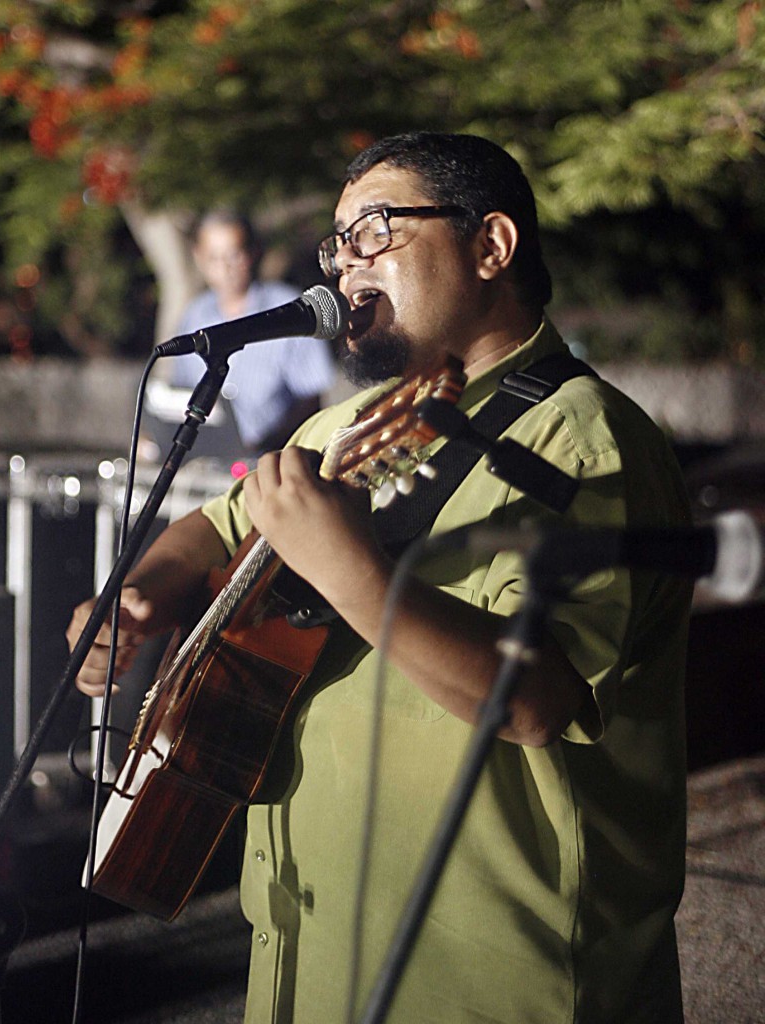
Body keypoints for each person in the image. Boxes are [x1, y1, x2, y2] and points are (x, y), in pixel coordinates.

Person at [68, 132, 692, 1024]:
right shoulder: (357, 422)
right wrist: (143, 596)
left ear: (491, 246)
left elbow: (534, 701)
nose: (343, 266)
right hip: (312, 948)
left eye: (374, 230)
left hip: (496, 975)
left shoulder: (588, 439)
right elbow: (219, 524)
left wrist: (348, 568)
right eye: (334, 243)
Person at [169, 208, 336, 454]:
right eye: (214, 258)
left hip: (272, 458)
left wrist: (266, 446)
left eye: (234, 255)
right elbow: (180, 391)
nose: (226, 268)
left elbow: (312, 398)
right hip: (206, 459)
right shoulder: (195, 314)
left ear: (253, 252)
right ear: (198, 258)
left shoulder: (288, 309)